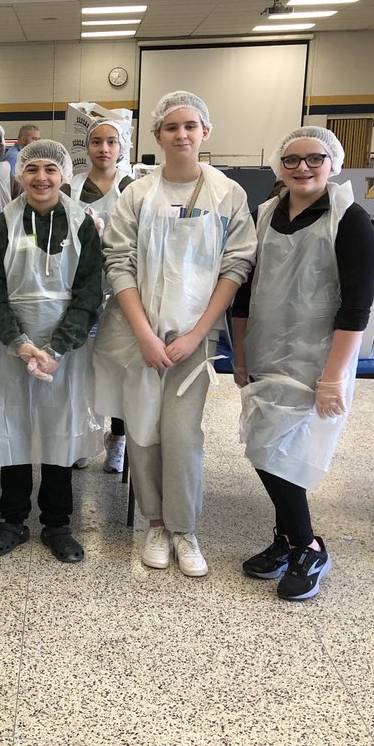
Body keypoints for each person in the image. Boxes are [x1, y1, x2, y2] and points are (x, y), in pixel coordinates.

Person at [93, 91, 256, 577]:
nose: (181, 134)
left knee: (182, 436)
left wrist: (197, 334)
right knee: (143, 432)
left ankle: (184, 529)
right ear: (158, 136)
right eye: (171, 127)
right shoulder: (138, 195)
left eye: (190, 126)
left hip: (193, 341)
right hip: (137, 337)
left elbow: (236, 264)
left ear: (205, 132)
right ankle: (156, 524)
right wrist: (144, 334)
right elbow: (118, 261)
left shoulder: (228, 194)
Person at [230, 127, 374, 601]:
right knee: (271, 450)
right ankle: (286, 540)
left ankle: (308, 546)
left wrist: (333, 377)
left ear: (333, 163)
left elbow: (356, 306)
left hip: (318, 358)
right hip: (266, 350)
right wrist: (241, 353)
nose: (302, 167)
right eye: (291, 159)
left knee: (277, 452)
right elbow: (244, 293)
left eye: (314, 158)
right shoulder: (264, 215)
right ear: (279, 166)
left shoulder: (350, 219)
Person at [0, 140, 103, 562]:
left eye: (50, 169)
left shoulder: (82, 223)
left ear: (64, 174)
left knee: (58, 433)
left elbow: (89, 294)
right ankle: (11, 520)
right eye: (32, 170)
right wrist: (21, 344)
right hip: (13, 344)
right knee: (14, 430)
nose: (41, 178)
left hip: (66, 346)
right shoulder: (2, 224)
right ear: (20, 174)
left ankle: (58, 524)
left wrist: (57, 348)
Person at [68, 117, 135, 474]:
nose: (104, 149)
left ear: (121, 146)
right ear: (87, 147)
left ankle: (117, 438)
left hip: (123, 291)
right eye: (97, 142)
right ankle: (81, 437)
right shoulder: (71, 188)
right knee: (80, 369)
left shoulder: (134, 188)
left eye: (111, 142)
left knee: (118, 369)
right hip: (80, 289)